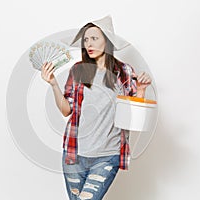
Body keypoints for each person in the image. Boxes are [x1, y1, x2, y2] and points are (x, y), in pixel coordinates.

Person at [41, 15, 152, 200]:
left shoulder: (124, 72)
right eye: (85, 39)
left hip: (107, 155)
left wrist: (140, 90)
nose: (89, 44)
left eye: (94, 38)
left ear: (106, 41)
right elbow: (66, 110)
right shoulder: (78, 70)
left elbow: (135, 116)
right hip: (74, 155)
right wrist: (53, 84)